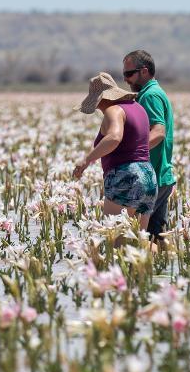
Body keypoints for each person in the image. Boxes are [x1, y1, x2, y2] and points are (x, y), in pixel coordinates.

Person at [71, 72, 157, 228]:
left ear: (103, 98)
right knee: (141, 241)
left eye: (97, 103)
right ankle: (170, 253)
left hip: (125, 176)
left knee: (116, 243)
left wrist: (86, 160)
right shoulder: (138, 108)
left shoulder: (114, 110)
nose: (97, 107)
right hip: (148, 176)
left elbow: (114, 138)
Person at [123, 50, 176, 245]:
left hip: (152, 177)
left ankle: (147, 273)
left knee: (141, 237)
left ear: (144, 71)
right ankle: (166, 273)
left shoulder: (150, 96)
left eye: (129, 74)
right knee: (157, 236)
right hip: (161, 175)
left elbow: (159, 132)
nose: (126, 80)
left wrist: (131, 153)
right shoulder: (154, 92)